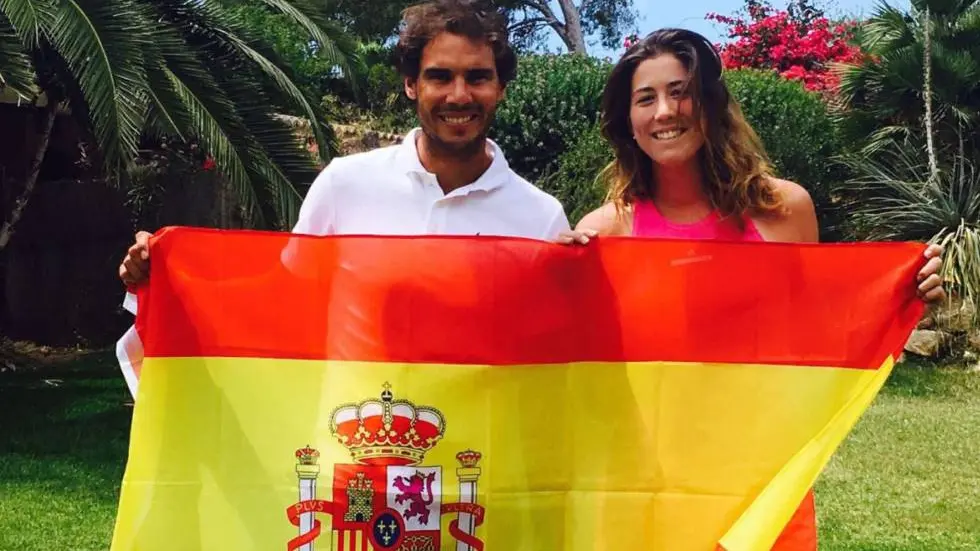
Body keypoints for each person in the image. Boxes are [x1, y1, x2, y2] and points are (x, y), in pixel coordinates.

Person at [559, 28, 946, 549]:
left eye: (681, 91)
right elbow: (581, 374)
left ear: (712, 103)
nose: (664, 111)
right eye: (644, 98)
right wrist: (561, 276)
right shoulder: (605, 231)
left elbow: (816, 336)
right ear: (627, 121)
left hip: (761, 477)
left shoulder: (783, 213)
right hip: (648, 480)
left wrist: (901, 298)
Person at [119, 0, 569, 286]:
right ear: (411, 85)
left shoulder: (541, 217)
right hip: (359, 432)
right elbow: (285, 298)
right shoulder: (345, 185)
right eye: (439, 76)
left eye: (477, 77)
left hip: (486, 436)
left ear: (501, 88)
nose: (459, 95)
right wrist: (169, 276)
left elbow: (568, 346)